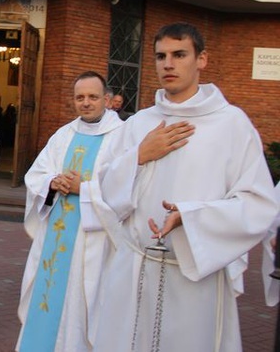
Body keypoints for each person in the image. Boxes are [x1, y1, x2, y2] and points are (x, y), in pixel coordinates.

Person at [94, 23, 277, 351]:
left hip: (194, 273)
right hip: (136, 266)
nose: (168, 64)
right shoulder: (139, 123)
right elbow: (105, 189)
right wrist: (139, 156)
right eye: (160, 56)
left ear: (201, 59)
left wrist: (192, 216)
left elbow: (258, 203)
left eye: (179, 54)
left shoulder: (231, 124)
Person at [16, 72, 123, 352]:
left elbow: (125, 190)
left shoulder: (121, 137)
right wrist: (52, 181)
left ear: (107, 100)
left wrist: (83, 188)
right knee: (48, 293)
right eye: (79, 97)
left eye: (92, 97)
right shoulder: (64, 134)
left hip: (93, 241)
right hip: (55, 235)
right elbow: (36, 174)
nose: (85, 103)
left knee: (82, 302)